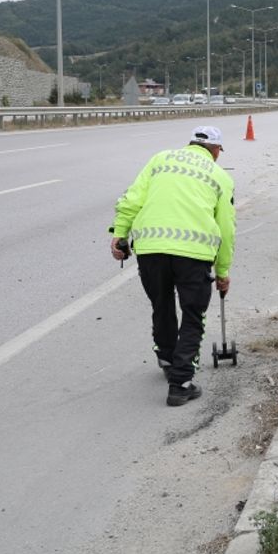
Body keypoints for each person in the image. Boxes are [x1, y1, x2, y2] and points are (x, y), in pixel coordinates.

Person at [109, 126, 236, 406]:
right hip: (194, 254)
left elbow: (132, 199)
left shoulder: (160, 159)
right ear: (216, 150)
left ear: (190, 144)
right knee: (193, 315)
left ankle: (167, 359)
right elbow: (226, 230)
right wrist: (223, 272)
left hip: (151, 250)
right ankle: (180, 383)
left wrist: (119, 234)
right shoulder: (220, 177)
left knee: (162, 304)